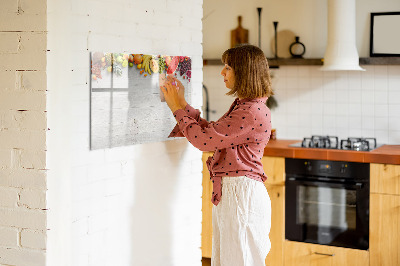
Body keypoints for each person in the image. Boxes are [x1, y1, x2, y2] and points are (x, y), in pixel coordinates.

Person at [161, 44, 273, 266]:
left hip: (241, 195)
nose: (222, 72)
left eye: (228, 67)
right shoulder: (246, 106)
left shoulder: (250, 111)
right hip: (236, 193)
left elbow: (204, 141)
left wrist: (176, 108)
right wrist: (182, 103)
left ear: (244, 72)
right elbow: (212, 133)